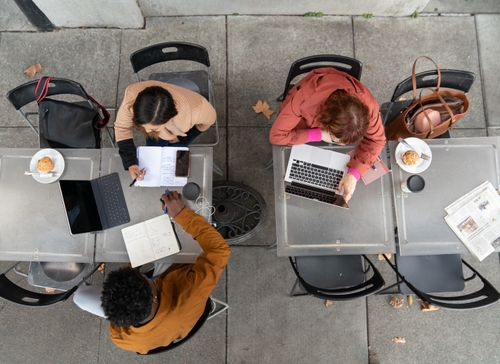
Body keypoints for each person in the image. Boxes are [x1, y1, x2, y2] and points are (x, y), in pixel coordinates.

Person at [73, 191, 230, 354]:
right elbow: (220, 249)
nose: (143, 274)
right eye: (144, 278)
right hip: (178, 300)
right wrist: (181, 214)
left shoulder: (121, 340)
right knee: (168, 238)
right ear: (153, 296)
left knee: (80, 297)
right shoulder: (192, 290)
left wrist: (132, 267)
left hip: (162, 328)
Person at [269, 67, 386, 202]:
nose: (341, 144)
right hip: (304, 123)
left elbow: (377, 140)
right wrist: (321, 135)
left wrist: (354, 174)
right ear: (325, 121)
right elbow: (276, 136)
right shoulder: (305, 98)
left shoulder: (368, 107)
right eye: (336, 139)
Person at [115, 80, 217, 182]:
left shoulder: (197, 110)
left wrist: (185, 137)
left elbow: (209, 121)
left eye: (153, 128)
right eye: (142, 125)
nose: (146, 131)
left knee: (177, 164)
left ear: (169, 118)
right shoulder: (132, 96)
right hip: (165, 132)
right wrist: (131, 163)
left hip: (179, 133)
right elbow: (122, 128)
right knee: (153, 159)